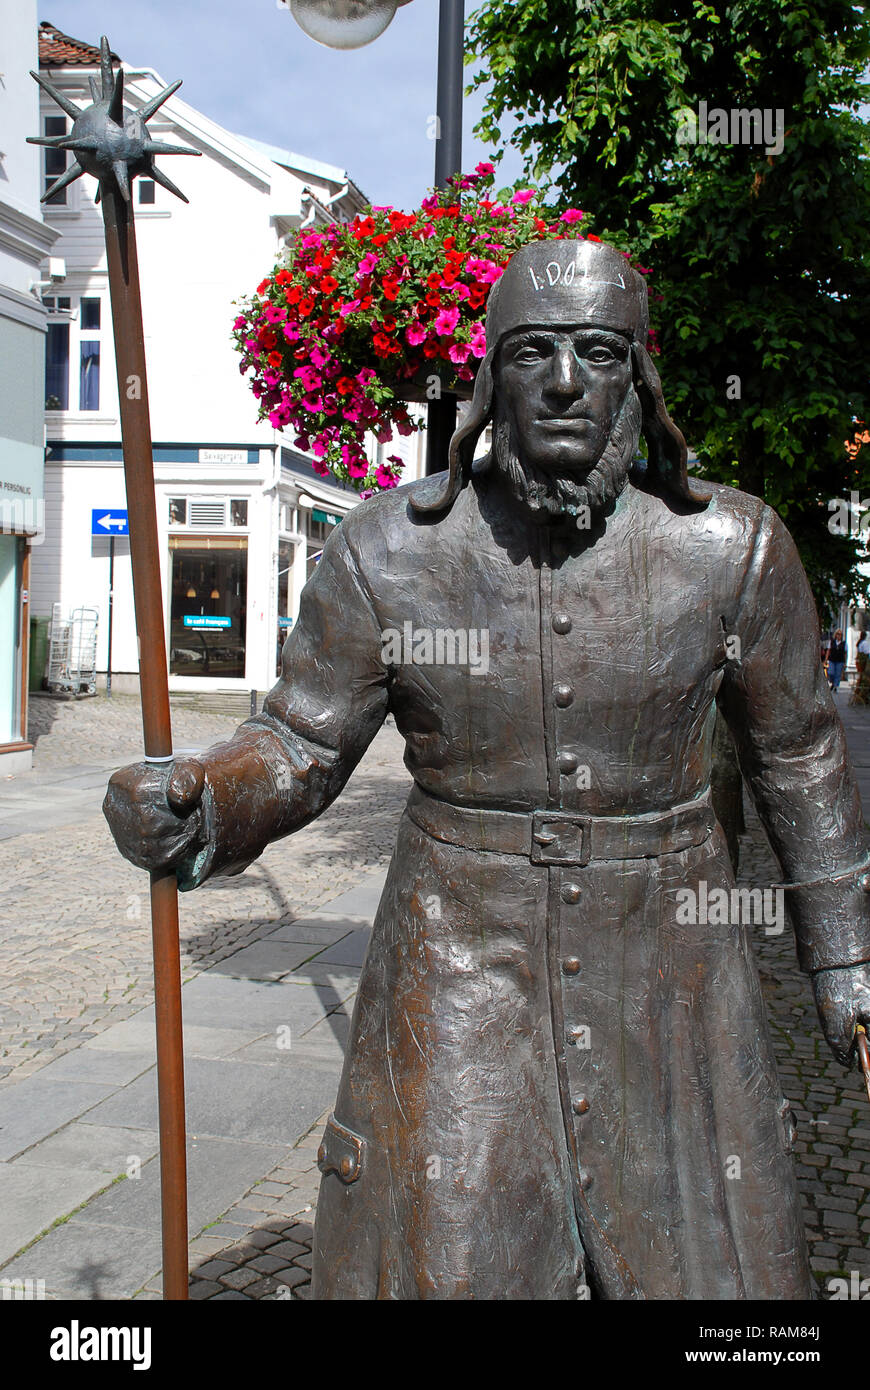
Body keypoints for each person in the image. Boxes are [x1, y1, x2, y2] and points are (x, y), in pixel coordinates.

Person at [103, 239, 870, 1300]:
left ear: (638, 380)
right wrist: (201, 800)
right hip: (455, 946)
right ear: (489, 379)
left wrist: (842, 958)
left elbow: (800, 752)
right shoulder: (388, 549)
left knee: (710, 1275)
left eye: (597, 353)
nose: (564, 382)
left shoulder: (731, 547)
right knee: (446, 1255)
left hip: (671, 962)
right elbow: (300, 741)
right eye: (534, 353)